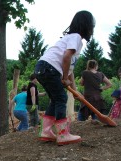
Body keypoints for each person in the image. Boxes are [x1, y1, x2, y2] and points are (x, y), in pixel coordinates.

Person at [34, 10, 95, 145]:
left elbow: (70, 69)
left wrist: (75, 90)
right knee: (61, 98)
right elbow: (66, 57)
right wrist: (64, 78)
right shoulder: (76, 38)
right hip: (50, 68)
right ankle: (63, 134)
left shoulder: (69, 39)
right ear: (87, 26)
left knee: (55, 99)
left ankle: (46, 131)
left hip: (42, 68)